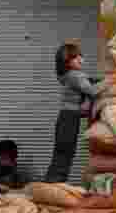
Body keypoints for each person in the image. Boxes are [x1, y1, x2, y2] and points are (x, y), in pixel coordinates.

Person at [45, 42, 105, 183]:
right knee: (65, 152)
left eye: (80, 57)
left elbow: (89, 81)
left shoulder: (69, 76)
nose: (81, 60)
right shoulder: (75, 76)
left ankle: (54, 183)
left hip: (66, 118)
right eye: (76, 58)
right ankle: (54, 184)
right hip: (69, 119)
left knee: (62, 152)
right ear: (67, 61)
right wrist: (110, 82)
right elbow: (93, 91)